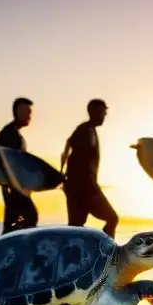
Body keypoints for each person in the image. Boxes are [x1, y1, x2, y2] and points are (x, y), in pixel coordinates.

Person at [61, 99, 118, 237]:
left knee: (76, 228)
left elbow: (68, 144)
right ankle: (105, 254)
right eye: (102, 112)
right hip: (84, 188)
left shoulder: (87, 130)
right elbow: (72, 154)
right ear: (93, 111)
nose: (104, 116)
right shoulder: (86, 131)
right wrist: (65, 176)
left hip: (80, 187)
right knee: (112, 218)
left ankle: (84, 256)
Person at [0, 97, 38, 234]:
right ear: (18, 111)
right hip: (13, 188)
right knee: (28, 217)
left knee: (16, 221)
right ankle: (15, 251)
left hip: (17, 187)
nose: (30, 116)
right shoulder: (10, 134)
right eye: (27, 112)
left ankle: (12, 250)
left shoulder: (14, 133)